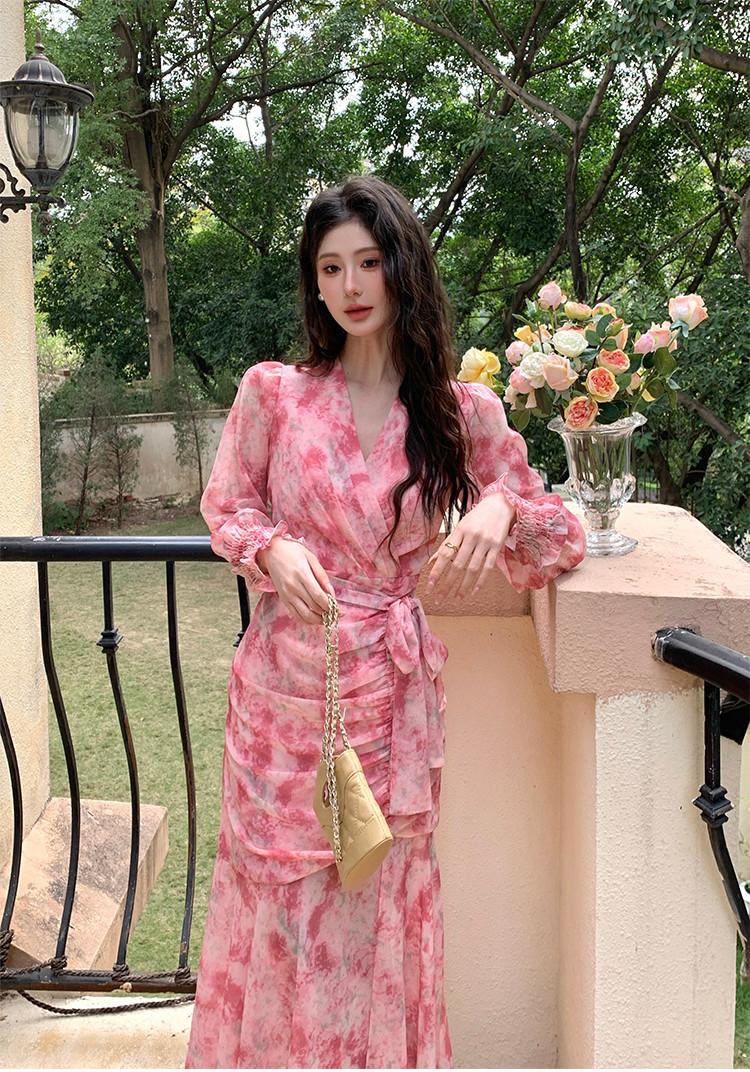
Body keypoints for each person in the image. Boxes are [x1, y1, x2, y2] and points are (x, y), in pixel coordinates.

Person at [184, 174, 587, 1069]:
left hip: (388, 699)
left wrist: (498, 508)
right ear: (314, 283)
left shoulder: (458, 411)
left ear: (402, 266)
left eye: (368, 261)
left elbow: (560, 535)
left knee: (373, 907)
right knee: (280, 909)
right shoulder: (275, 394)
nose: (351, 285)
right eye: (330, 268)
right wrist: (270, 551)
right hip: (283, 696)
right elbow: (227, 505)